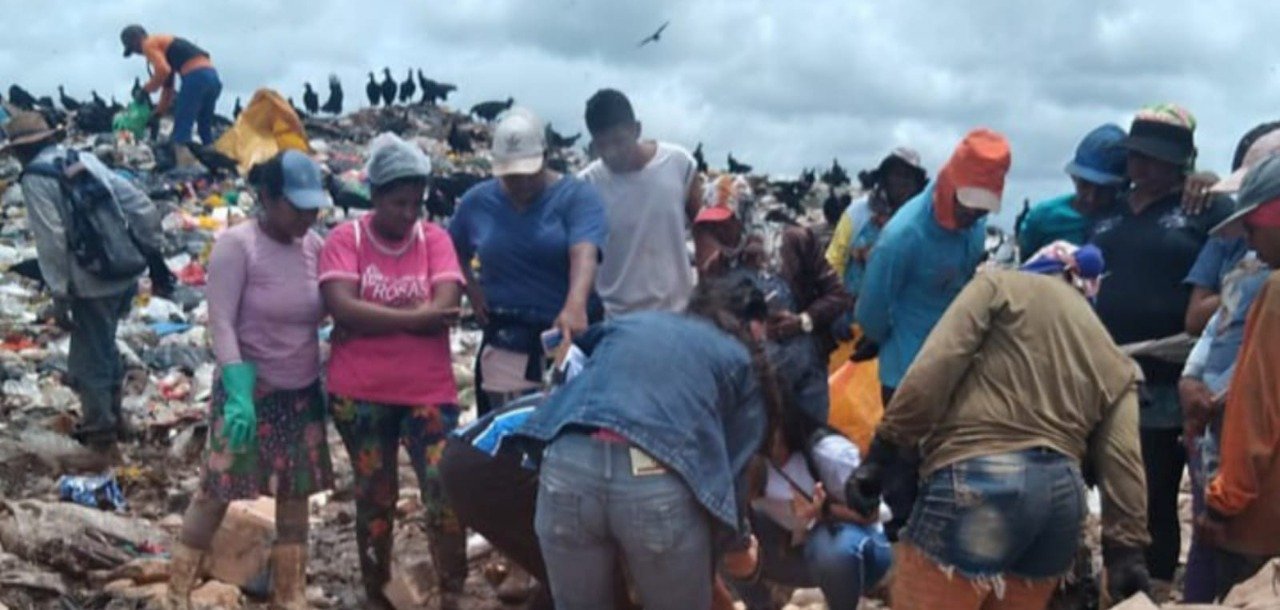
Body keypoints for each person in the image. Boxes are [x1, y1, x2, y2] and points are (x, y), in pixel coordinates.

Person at [849, 242, 1152, 609]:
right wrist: (1126, 551)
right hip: (1058, 504)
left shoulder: (998, 286)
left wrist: (881, 455)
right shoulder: (1112, 354)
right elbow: (1124, 459)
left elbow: (936, 367)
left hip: (978, 480)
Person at [512, 279, 776, 610]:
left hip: (566, 466)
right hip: (654, 483)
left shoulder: (632, 323)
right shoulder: (738, 361)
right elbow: (731, 473)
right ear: (750, 327)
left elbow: (571, 368)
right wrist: (739, 546)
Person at [164, 151, 334, 610]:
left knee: (295, 494)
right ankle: (177, 591)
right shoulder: (237, 246)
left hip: (299, 392)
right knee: (218, 489)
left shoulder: (314, 248)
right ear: (267, 197)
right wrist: (238, 392)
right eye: (296, 207)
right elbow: (221, 322)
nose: (306, 217)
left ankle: (289, 594)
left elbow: (327, 310)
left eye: (312, 208)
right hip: (248, 391)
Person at [318, 134, 468, 609]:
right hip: (359, 394)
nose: (409, 214)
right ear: (376, 197)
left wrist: (380, 317)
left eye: (417, 204)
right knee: (375, 500)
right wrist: (417, 319)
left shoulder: (435, 240)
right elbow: (342, 307)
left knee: (445, 492)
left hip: (428, 391)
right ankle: (377, 592)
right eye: (399, 203)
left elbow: (447, 304)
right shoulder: (347, 240)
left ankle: (452, 592)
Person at [1089, 104, 1233, 590]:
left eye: (1154, 158)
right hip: (1102, 372)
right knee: (1104, 489)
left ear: (1181, 163)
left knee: (1153, 495)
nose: (1142, 168)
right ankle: (1106, 585)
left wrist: (1211, 181)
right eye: (1136, 157)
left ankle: (1151, 587)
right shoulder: (1108, 207)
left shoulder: (1205, 207)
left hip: (1167, 379)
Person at [853, 128, 1011, 537]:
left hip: (958, 368)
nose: (974, 215)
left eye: (982, 209)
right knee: (902, 478)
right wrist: (884, 336)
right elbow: (870, 312)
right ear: (948, 183)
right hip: (907, 374)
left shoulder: (974, 227)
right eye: (969, 205)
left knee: (951, 473)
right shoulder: (903, 237)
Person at [2, 112, 163, 453]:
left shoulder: (36, 178)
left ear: (20, 151)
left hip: (90, 283)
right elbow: (139, 204)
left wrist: (59, 296)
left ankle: (100, 431)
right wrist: (150, 253)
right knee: (104, 343)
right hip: (123, 272)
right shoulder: (84, 159)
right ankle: (115, 418)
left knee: (87, 358)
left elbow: (52, 240)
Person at [1177, 123, 1279, 603]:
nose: (1250, 244)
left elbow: (1256, 413)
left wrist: (1221, 504)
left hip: (1258, 519)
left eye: (1253, 229)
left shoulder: (1276, 294)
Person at [450, 108, 608, 411]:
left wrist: (575, 305)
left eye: (528, 173)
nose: (520, 182)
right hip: (507, 335)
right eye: (511, 175)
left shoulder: (576, 197)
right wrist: (470, 286)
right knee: (507, 435)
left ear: (546, 157)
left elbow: (584, 251)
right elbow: (452, 248)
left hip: (566, 336)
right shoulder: (477, 202)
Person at [692, 174, 850, 421]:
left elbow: (839, 296)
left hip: (806, 377)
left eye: (725, 222)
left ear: (744, 214)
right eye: (712, 225)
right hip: (754, 386)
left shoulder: (794, 241)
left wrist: (803, 321)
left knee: (813, 445)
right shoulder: (716, 270)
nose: (718, 231)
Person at [732, 406, 892, 610]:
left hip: (860, 550)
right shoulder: (746, 471)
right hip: (799, 553)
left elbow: (875, 512)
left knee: (831, 548)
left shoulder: (827, 454)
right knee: (724, 535)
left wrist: (825, 511)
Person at [579, 88, 702, 316]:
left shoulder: (678, 164)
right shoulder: (587, 185)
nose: (612, 152)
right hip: (618, 320)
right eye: (602, 145)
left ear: (636, 130)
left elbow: (704, 229)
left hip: (679, 315)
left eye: (619, 141)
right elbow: (579, 255)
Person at [824, 147, 928, 295]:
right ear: (885, 178)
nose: (902, 182)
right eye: (896, 175)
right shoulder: (858, 212)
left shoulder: (921, 220)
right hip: (851, 305)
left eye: (908, 177)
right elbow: (835, 260)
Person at [1018, 124, 1128, 258]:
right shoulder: (1044, 217)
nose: (1091, 198)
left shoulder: (1127, 219)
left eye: (1103, 190)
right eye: (1085, 185)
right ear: (1074, 178)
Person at [120, 25, 222, 148]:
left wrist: (145, 90)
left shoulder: (148, 44)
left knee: (182, 128)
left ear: (136, 39)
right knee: (204, 127)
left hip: (196, 78)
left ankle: (182, 162)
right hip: (213, 78)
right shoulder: (164, 46)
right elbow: (168, 87)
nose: (137, 53)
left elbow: (163, 70)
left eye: (133, 48)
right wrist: (158, 113)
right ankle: (212, 156)